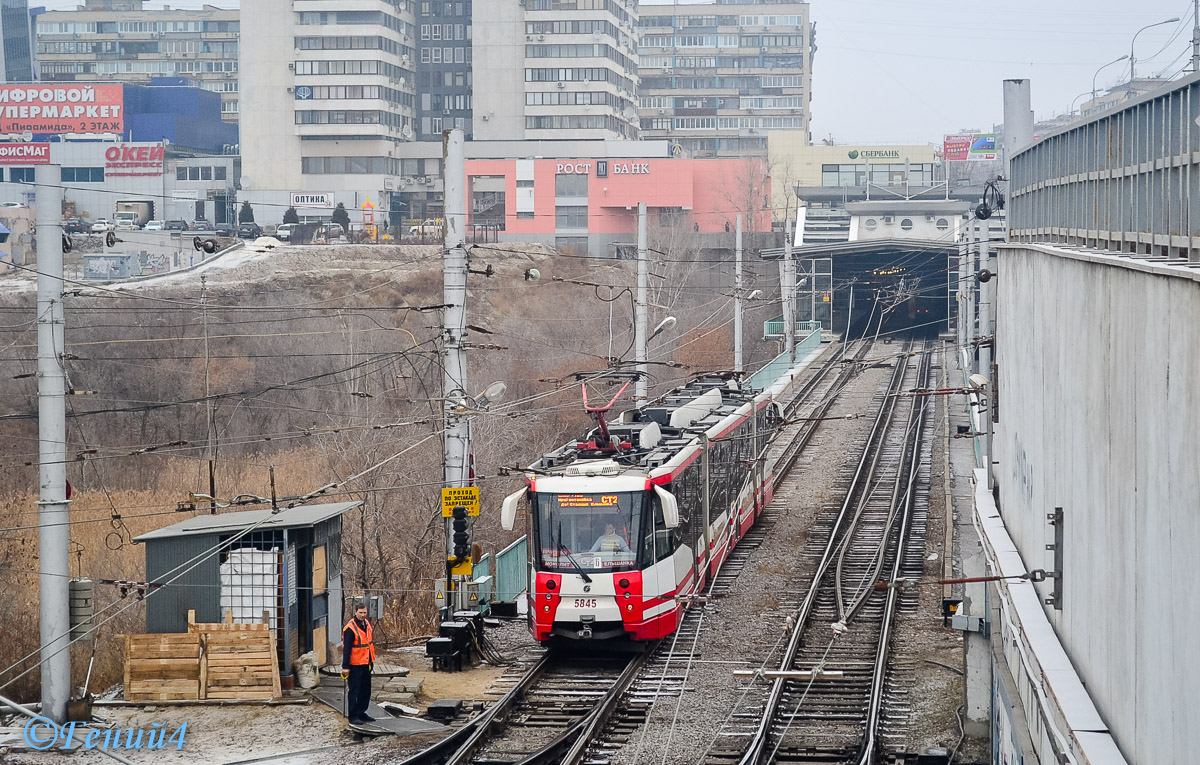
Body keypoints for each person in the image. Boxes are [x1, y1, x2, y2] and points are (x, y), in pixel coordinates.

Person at [341, 600, 376, 725]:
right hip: (355, 665)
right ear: (355, 612)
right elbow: (347, 648)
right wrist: (345, 667)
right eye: (360, 612)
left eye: (365, 612)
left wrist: (371, 660)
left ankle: (362, 712)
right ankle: (353, 715)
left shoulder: (366, 623)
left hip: (366, 663)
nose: (363, 615)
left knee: (366, 690)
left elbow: (368, 643)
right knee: (354, 690)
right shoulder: (350, 628)